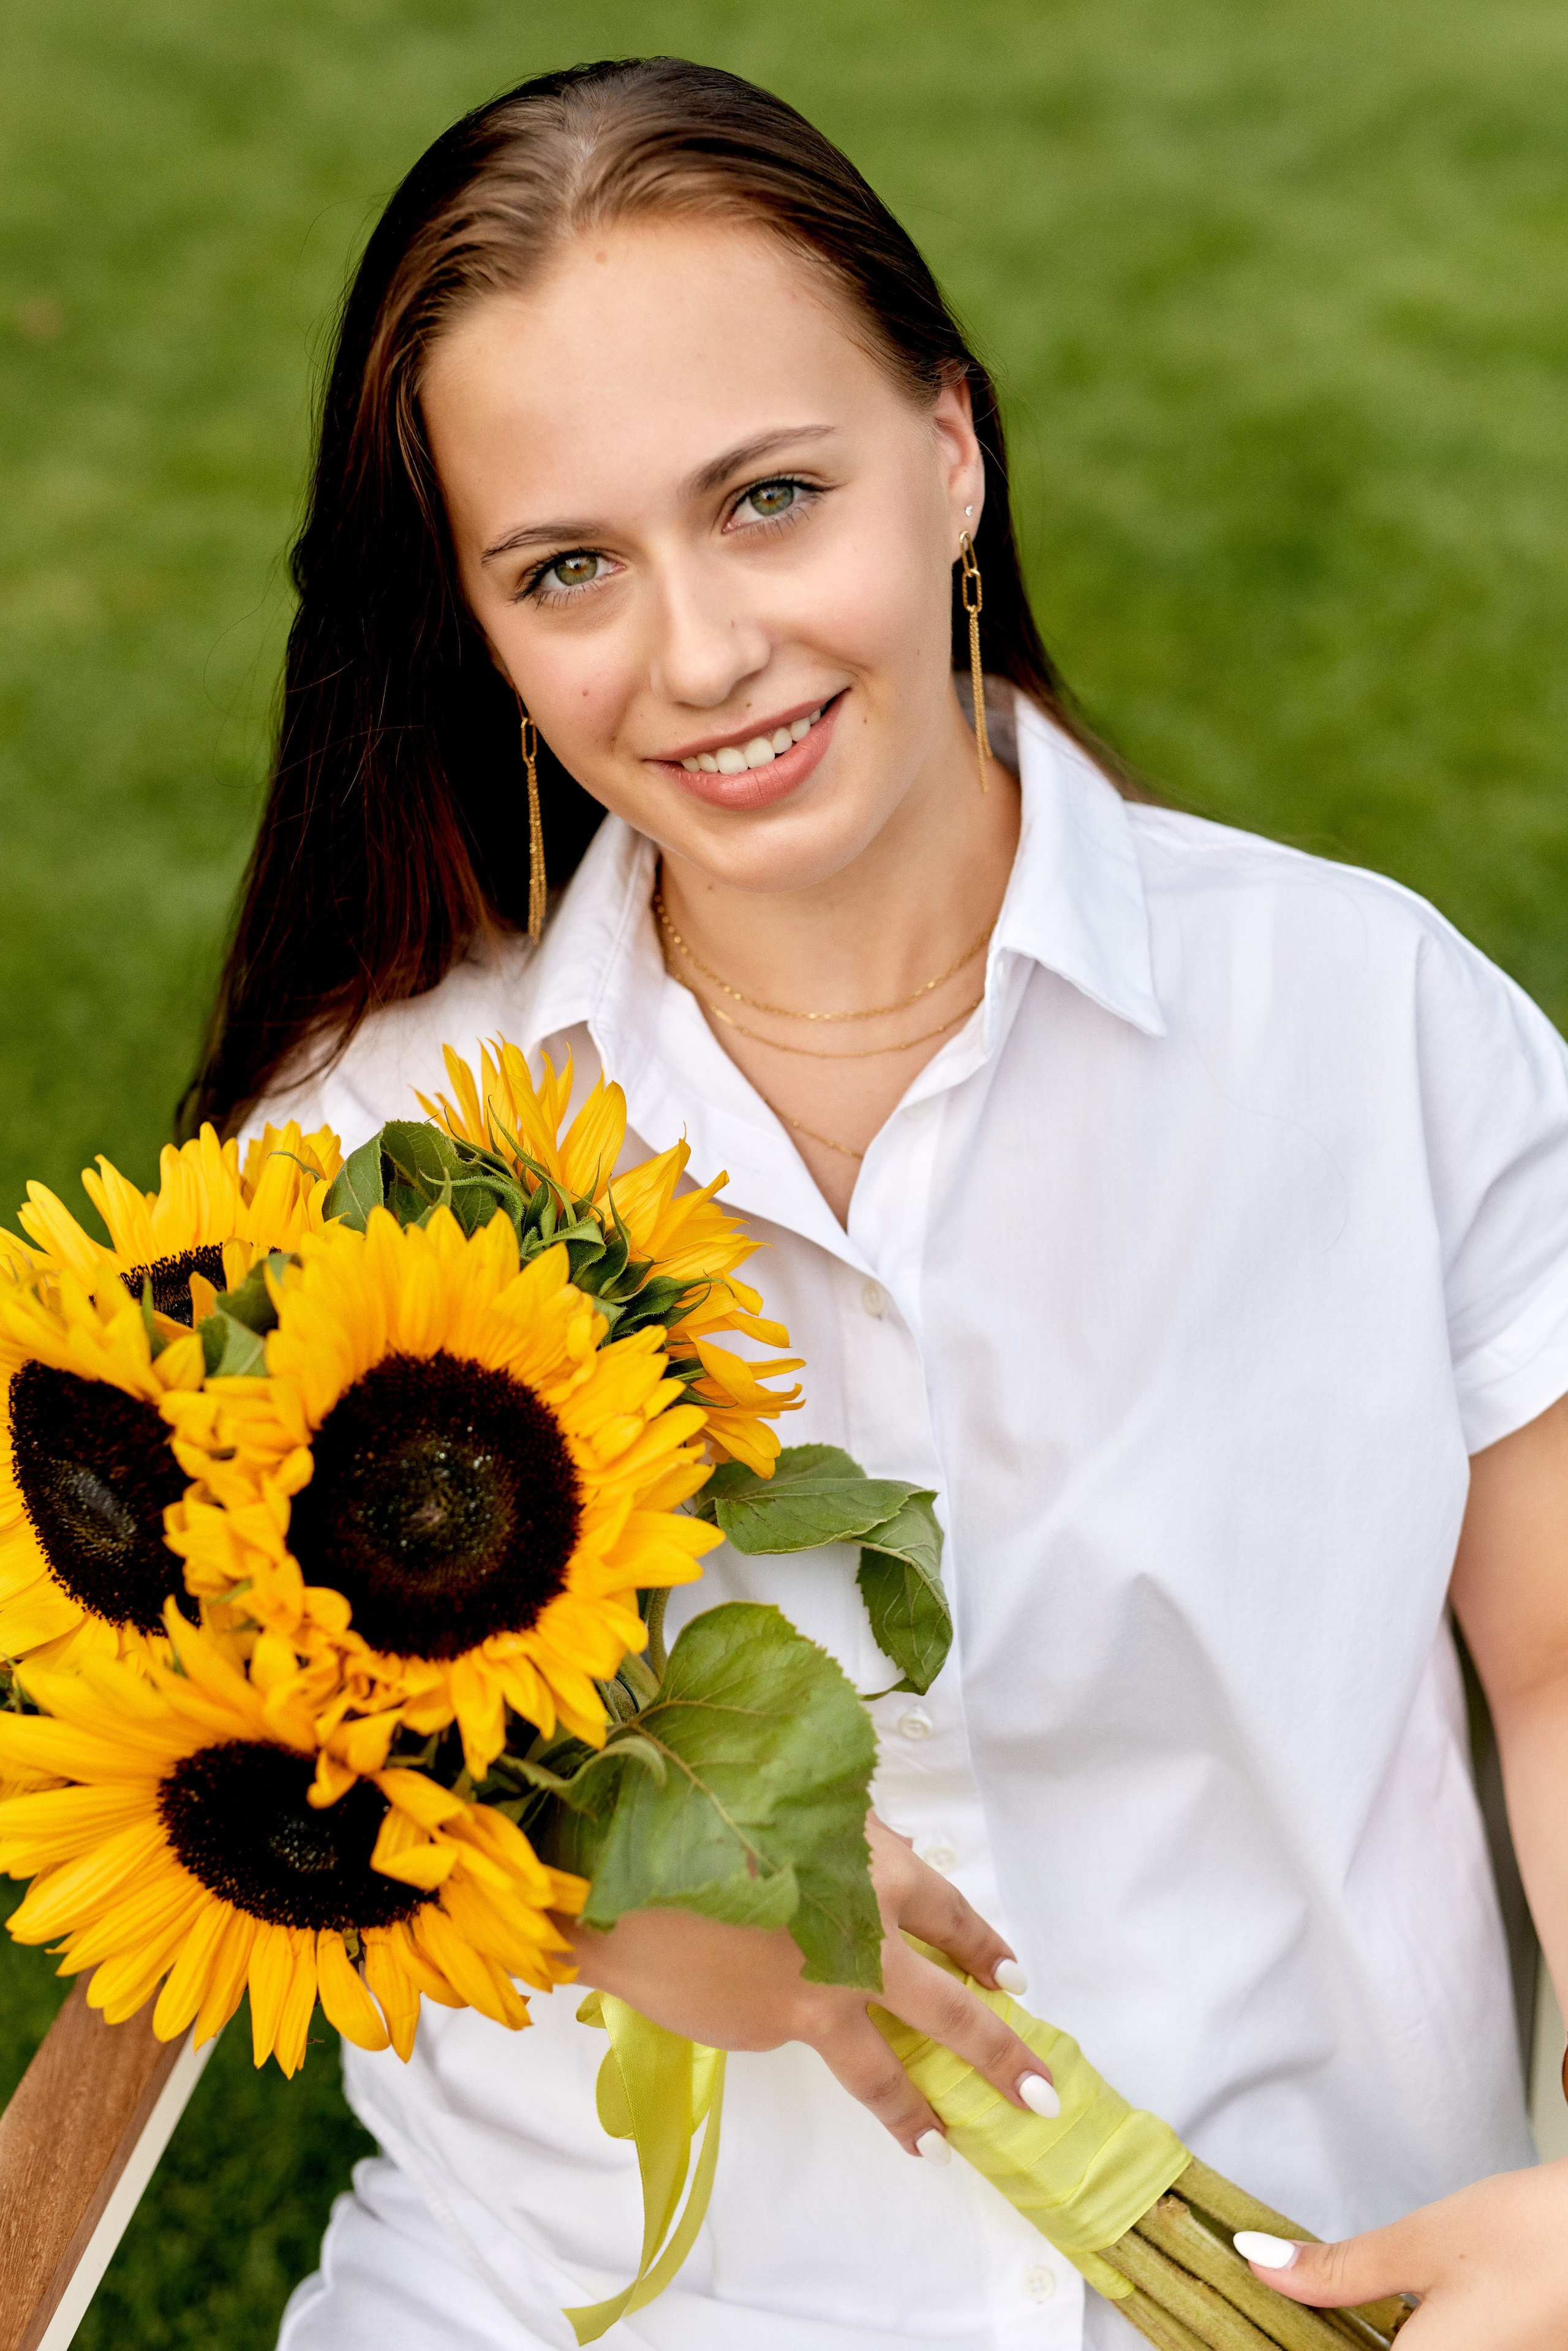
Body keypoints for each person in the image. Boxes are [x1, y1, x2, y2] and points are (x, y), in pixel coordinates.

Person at [185, 57, 1568, 2351]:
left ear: (952, 451)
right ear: (477, 624)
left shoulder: (1368, 1017)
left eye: (768, 499)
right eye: (567, 570)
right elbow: (227, 1765)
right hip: (569, 2313)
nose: (701, 654)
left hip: (1314, 2297)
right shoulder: (360, 1147)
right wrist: (582, 1899)